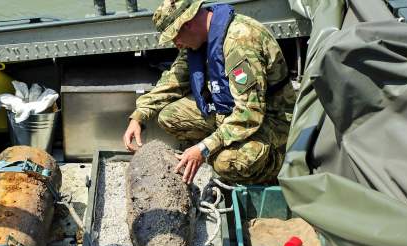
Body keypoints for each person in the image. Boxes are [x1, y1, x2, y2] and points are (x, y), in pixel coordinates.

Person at [122, 0, 296, 184]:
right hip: (228, 111)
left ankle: (274, 163)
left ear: (187, 23)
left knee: (225, 162)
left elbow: (250, 114)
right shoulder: (199, 39)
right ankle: (218, 146)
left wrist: (204, 149)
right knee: (169, 117)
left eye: (175, 36)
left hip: (269, 121)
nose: (176, 44)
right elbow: (174, 78)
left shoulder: (240, 43)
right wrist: (139, 116)